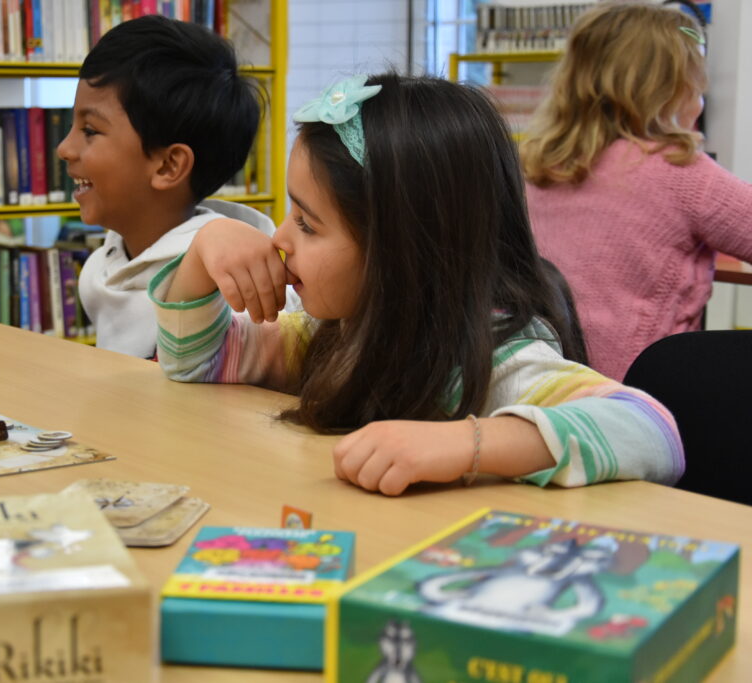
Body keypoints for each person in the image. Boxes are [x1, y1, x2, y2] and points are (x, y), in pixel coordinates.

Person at [148, 73, 684, 496]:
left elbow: (651, 431)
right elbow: (195, 361)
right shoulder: (331, 333)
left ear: (402, 249)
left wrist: (462, 444)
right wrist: (203, 250)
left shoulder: (494, 358)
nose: (281, 238)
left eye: (308, 224)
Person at [521, 2, 752, 381]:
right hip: (639, 397)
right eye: (697, 89)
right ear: (670, 92)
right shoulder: (678, 171)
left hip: (547, 382)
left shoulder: (541, 166)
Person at [58, 14, 294, 359]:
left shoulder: (228, 285)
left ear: (169, 165)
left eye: (90, 131)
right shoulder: (103, 265)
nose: (64, 148)